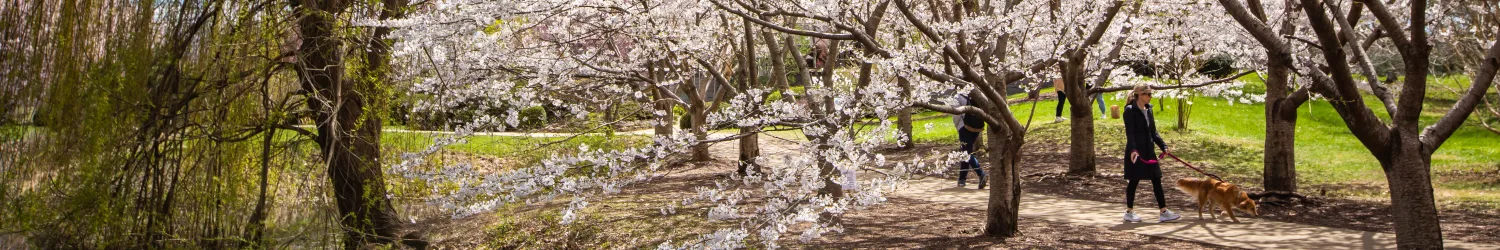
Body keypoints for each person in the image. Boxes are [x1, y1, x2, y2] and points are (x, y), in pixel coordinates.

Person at [1121, 84, 1180, 223]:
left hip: (1149, 150)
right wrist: (1133, 150)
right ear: (1140, 95)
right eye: (1148, 94)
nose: (1150, 97)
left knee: (1156, 178)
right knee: (1134, 180)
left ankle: (1163, 212)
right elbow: (1130, 134)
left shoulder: (1149, 109)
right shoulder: (1130, 110)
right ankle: (1129, 211)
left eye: (1151, 94)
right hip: (1136, 151)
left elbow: (1153, 132)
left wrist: (1163, 146)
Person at [953, 94, 986, 189]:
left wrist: (956, 126)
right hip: (976, 126)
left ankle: (981, 173)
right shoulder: (975, 93)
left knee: (966, 153)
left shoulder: (957, 96)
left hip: (964, 126)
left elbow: (956, 114)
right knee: (966, 151)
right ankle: (962, 179)